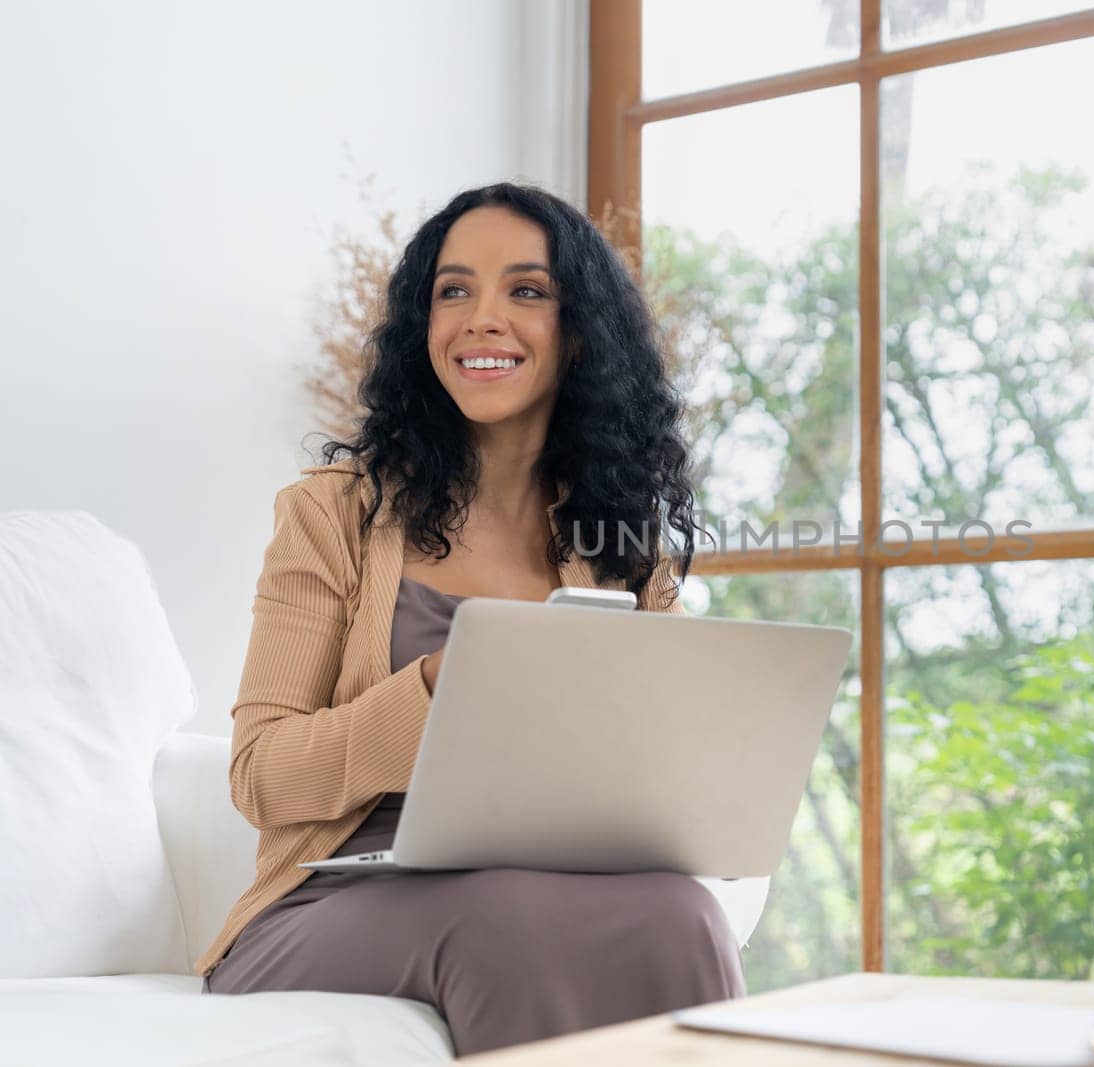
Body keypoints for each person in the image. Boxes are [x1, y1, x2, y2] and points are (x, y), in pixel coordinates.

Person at [196, 181, 743, 1058]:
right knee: (505, 913)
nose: (482, 318)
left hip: (546, 871)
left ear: (579, 332)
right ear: (424, 323)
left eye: (526, 290)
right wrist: (432, 693)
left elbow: (657, 770)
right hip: (324, 902)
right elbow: (259, 777)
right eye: (454, 290)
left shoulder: (617, 544)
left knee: (684, 911)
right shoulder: (331, 515)